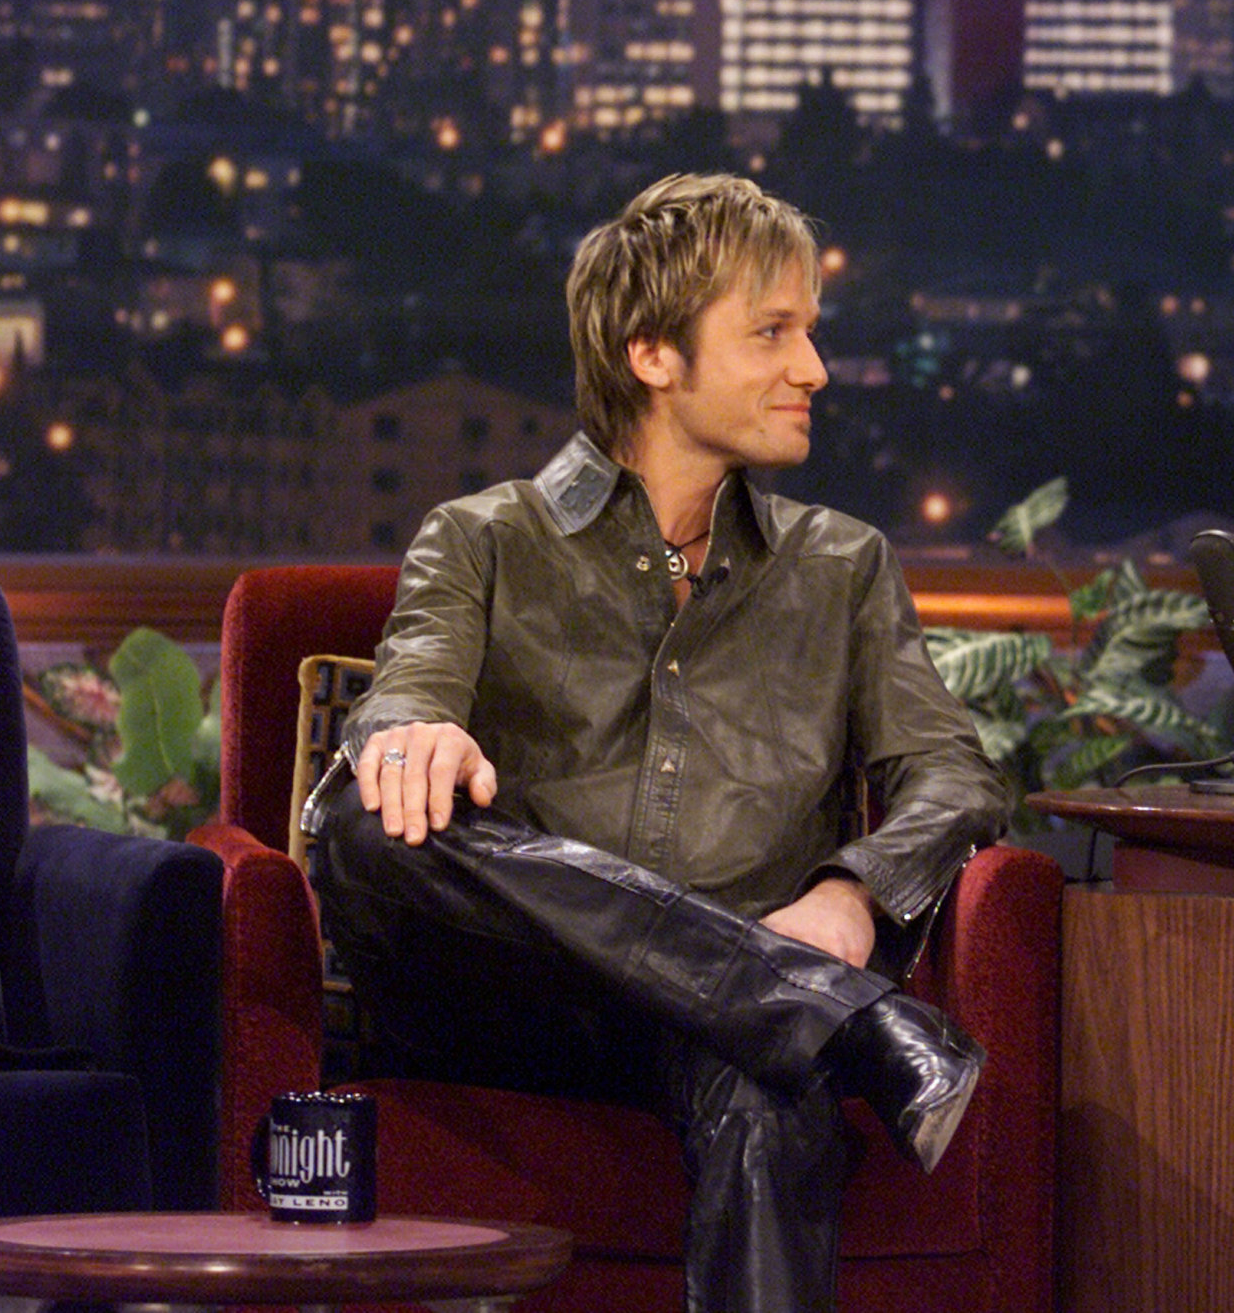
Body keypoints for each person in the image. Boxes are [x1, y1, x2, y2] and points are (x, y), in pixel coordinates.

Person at [302, 173, 1010, 1313]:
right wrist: (409, 732)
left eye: (810, 334)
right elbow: (410, 689)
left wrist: (855, 893)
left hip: (711, 1034)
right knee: (357, 812)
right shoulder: (486, 540)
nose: (813, 370)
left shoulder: (841, 567)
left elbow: (951, 776)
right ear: (652, 356)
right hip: (509, 1009)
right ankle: (820, 1008)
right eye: (771, 333)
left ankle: (782, 1003)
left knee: (773, 1077)